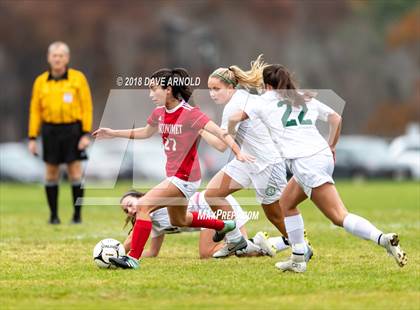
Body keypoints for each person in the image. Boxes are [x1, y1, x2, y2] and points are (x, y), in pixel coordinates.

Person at [229, 63, 407, 273]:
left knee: (338, 216)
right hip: (322, 155)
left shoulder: (264, 100)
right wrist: (332, 145)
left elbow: (234, 118)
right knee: (287, 202)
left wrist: (232, 136)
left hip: (305, 162)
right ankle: (297, 258)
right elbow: (336, 119)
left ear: (268, 86)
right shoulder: (303, 97)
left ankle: (382, 239)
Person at [92, 68, 253, 269]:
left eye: (153, 89)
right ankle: (224, 225)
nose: (151, 95)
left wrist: (237, 152)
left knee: (143, 206)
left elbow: (221, 134)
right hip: (175, 177)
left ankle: (133, 258)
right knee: (180, 220)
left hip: (184, 178)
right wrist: (114, 133)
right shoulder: (159, 113)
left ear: (168, 89)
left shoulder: (190, 114)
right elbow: (145, 132)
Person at [204, 56, 312, 260]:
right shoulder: (244, 96)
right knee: (212, 194)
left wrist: (199, 129)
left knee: (275, 215)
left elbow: (220, 146)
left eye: (216, 88)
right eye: (209, 89)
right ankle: (236, 239)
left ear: (230, 86)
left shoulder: (232, 108)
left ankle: (303, 247)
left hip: (267, 165)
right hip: (246, 161)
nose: (212, 94)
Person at [28, 41, 93, 224]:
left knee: (75, 172)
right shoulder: (40, 81)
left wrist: (85, 134)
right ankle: (54, 216)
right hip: (50, 130)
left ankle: (77, 216)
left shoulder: (77, 78)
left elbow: (87, 107)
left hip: (72, 129)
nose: (57, 59)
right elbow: (35, 110)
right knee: (51, 172)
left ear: (67, 58)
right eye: (54, 55)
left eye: (61, 55)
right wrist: (32, 137)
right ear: (49, 58)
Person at [119, 189, 283, 258]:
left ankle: (254, 242)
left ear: (140, 197)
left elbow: (130, 241)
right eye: (126, 210)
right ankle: (281, 242)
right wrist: (126, 255)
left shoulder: (151, 205)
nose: (130, 210)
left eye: (130, 203)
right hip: (217, 204)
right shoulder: (150, 220)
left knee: (206, 253)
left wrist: (115, 253)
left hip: (210, 206)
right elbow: (153, 252)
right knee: (242, 252)